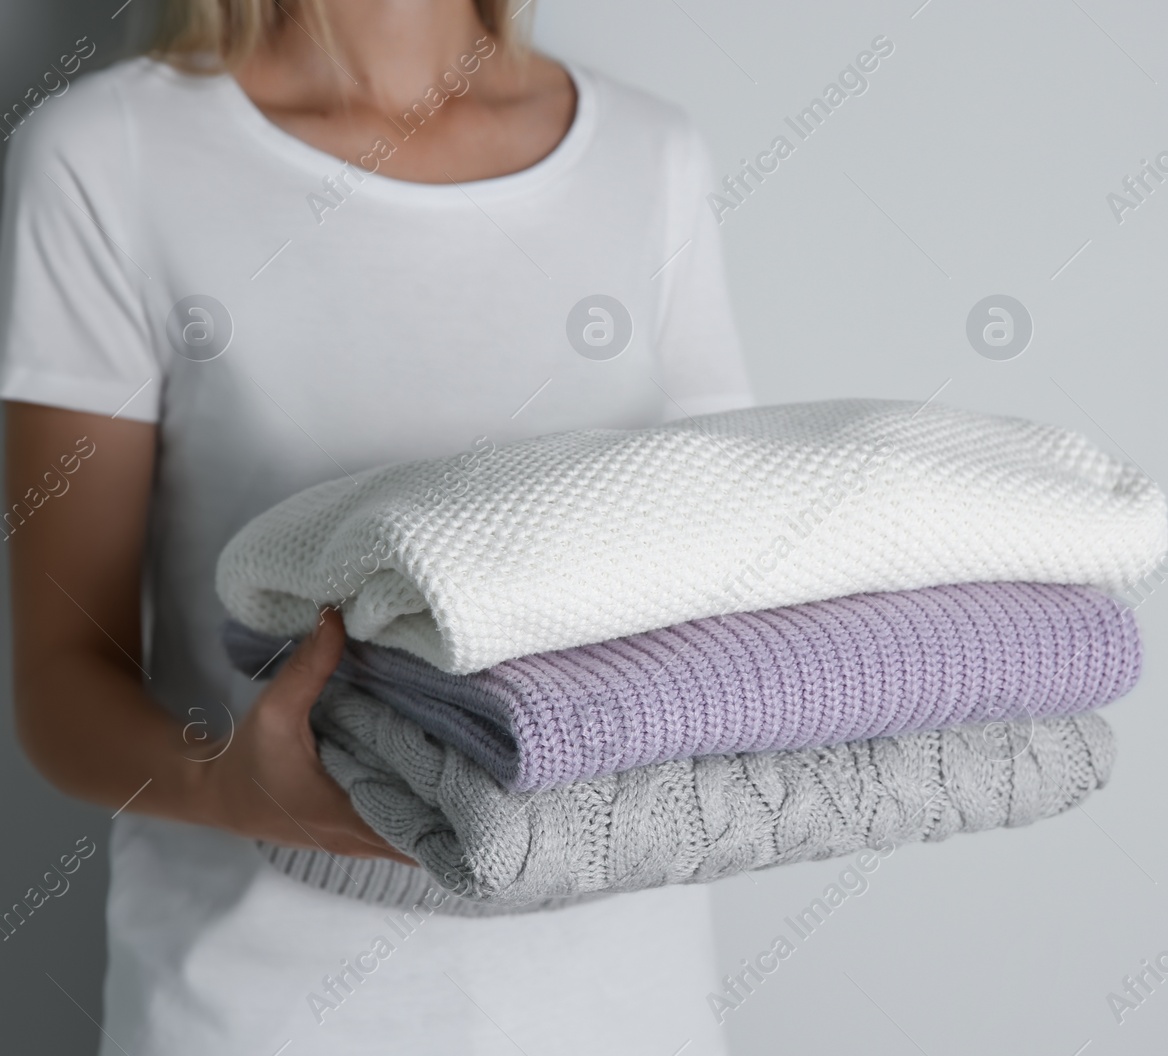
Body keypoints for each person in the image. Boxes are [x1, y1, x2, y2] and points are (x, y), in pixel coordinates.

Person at [0, 1, 751, 1052]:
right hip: (260, 1012)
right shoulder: (109, 153)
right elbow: (60, 679)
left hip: (626, 1004)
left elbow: (736, 583)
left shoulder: (649, 154)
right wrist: (230, 787)